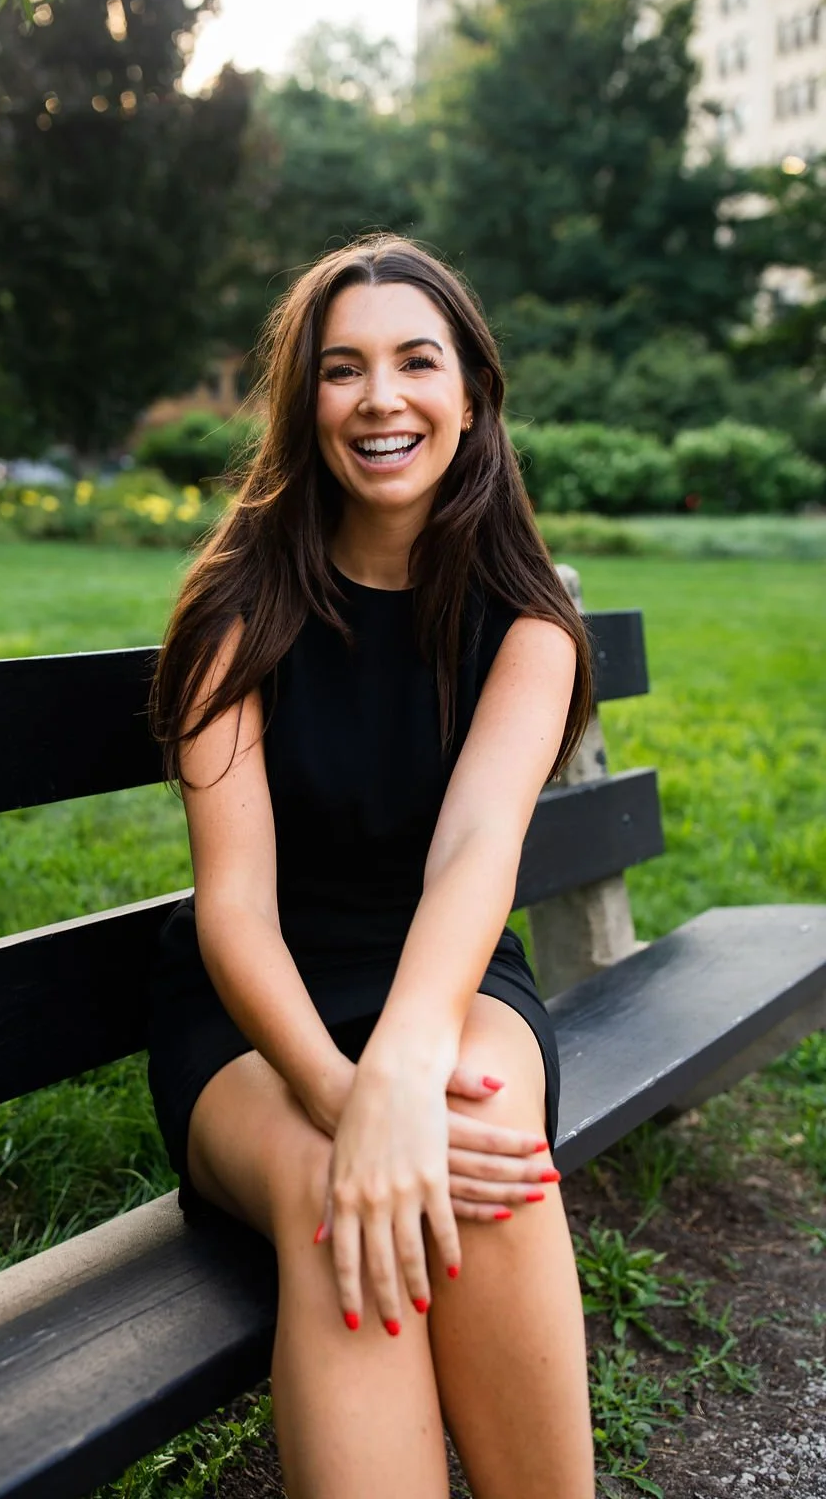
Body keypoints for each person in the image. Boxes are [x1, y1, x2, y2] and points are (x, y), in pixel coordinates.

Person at [148, 235, 596, 1498]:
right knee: (340, 1192)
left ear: (471, 395)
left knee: (488, 1154)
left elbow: (471, 857)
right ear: (307, 405)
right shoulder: (236, 609)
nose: (381, 398)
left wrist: (404, 1075)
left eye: (416, 361)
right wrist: (354, 1109)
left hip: (449, 982)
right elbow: (233, 911)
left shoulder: (525, 628)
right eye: (343, 370)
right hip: (255, 1017)